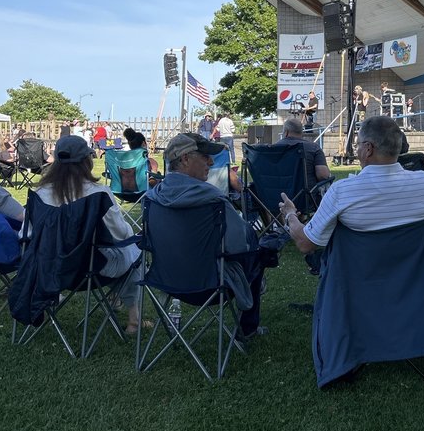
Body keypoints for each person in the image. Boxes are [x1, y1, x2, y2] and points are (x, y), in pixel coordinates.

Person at [145, 133, 270, 339]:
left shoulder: (151, 198)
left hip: (166, 280)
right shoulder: (213, 199)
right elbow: (240, 244)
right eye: (205, 156)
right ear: (185, 159)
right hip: (211, 284)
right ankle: (248, 328)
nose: (211, 162)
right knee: (259, 252)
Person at [279, 116, 424, 253]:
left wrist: (290, 214)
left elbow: (305, 243)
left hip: (362, 278)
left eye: (357, 145)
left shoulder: (342, 191)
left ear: (368, 149)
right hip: (419, 278)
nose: (356, 151)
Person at [32, 135, 143, 334]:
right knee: (134, 250)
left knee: (121, 251)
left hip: (51, 269)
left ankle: (116, 301)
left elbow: (27, 235)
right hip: (91, 269)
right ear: (86, 160)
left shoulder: (39, 194)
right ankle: (133, 318)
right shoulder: (98, 193)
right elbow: (121, 234)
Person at [274, 117, 331, 187]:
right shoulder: (313, 148)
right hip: (306, 192)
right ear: (302, 132)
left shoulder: (274, 148)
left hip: (277, 192)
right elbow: (323, 175)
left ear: (286, 132)